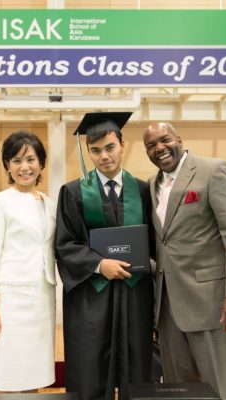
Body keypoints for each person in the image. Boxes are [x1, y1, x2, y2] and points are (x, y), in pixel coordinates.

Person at [142, 122, 226, 399]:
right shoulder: (152, 184)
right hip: (168, 308)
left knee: (222, 388)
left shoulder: (214, 171)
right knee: (180, 389)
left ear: (179, 139)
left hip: (214, 304)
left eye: (164, 140)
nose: (159, 148)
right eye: (151, 145)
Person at [56, 112, 154, 400]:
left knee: (136, 365)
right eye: (95, 151)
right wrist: (99, 264)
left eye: (110, 147)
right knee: (90, 368)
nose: (104, 156)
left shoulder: (144, 190)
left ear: (122, 144)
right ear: (88, 152)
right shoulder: (73, 192)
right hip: (92, 295)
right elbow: (64, 245)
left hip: (135, 294)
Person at [0, 131, 56, 392]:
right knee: (5, 370)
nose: (25, 167)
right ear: (7, 166)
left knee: (32, 372)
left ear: (41, 163)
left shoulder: (49, 203)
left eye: (31, 159)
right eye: (16, 161)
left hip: (42, 297)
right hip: (10, 300)